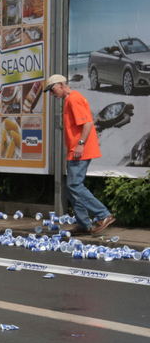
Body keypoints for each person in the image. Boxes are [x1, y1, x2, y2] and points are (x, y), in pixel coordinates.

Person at [44, 74, 116, 234]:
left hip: (80, 150)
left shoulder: (73, 99)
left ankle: (103, 214)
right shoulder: (70, 99)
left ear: (61, 85)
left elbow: (88, 123)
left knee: (74, 185)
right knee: (72, 187)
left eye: (52, 89)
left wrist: (80, 145)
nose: (51, 93)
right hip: (76, 150)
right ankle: (84, 224)